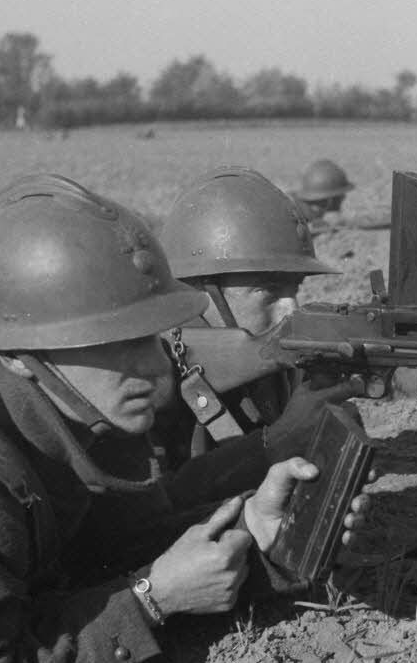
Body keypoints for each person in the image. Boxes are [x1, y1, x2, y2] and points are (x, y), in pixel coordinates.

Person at [0, 173, 371, 663]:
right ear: (18, 355)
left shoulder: (60, 414)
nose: (157, 371)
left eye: (150, 340)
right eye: (116, 345)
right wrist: (153, 600)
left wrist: (256, 529)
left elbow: (101, 547)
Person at [152, 166, 363, 476]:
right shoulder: (151, 385)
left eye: (295, 289)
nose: (292, 309)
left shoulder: (271, 368)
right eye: (269, 291)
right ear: (199, 291)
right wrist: (281, 441)